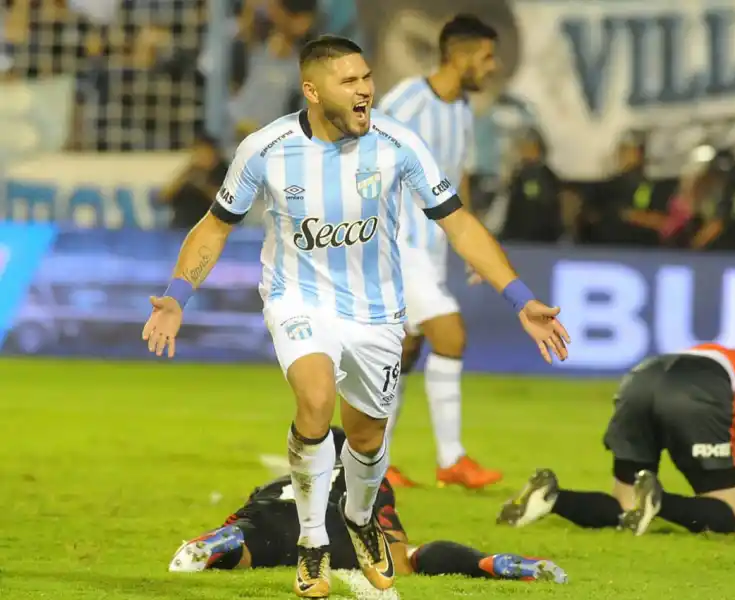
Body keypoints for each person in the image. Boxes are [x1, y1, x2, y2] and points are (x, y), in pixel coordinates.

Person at [140, 35, 569, 598]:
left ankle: (361, 518)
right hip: (297, 299)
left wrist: (520, 297)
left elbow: (459, 224)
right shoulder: (266, 149)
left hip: (376, 312)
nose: (365, 89)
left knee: (366, 438)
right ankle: (313, 540)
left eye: (366, 78)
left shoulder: (397, 144)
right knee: (315, 400)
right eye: (350, 81)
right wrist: (178, 294)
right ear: (313, 90)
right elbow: (215, 226)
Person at [498, 333, 735, 537]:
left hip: (643, 376)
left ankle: (553, 497)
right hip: (701, 389)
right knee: (731, 521)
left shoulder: (734, 359)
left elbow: (732, 489)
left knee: (625, 504)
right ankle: (659, 502)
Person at [169, 427, 568, 586]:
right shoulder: (369, 476)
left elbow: (250, 508)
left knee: (253, 545)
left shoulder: (281, 476)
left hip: (273, 514)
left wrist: (241, 527)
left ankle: (225, 544)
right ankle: (487, 562)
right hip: (337, 525)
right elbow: (392, 540)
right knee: (406, 557)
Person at [376, 14, 502, 490]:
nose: (492, 67)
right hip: (395, 242)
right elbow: (362, 152)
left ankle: (374, 461)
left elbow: (457, 176)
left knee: (406, 349)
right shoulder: (408, 99)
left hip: (430, 248)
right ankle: (452, 460)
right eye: (488, 56)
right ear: (462, 55)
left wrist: (469, 243)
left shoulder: (463, 109)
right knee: (450, 334)